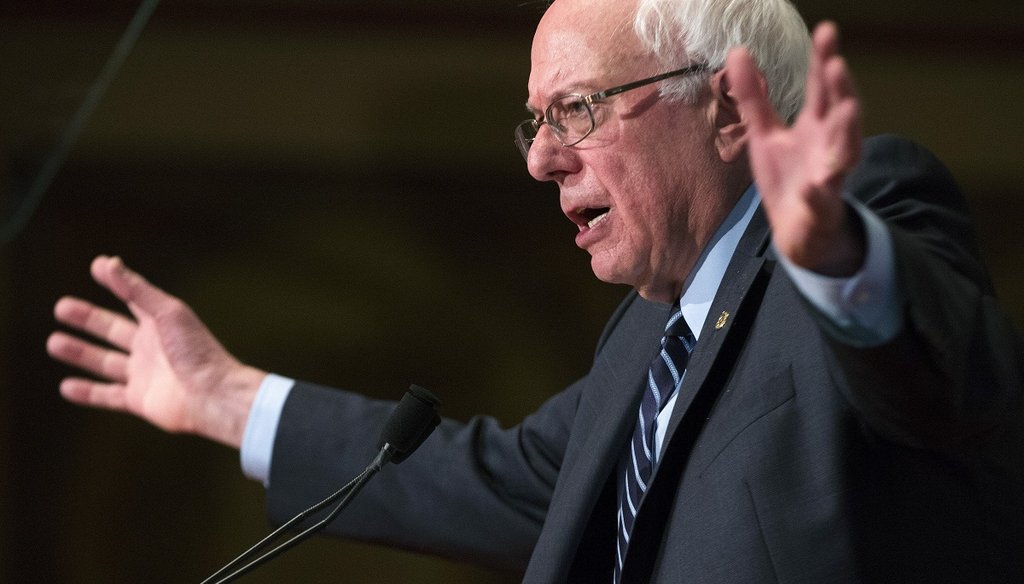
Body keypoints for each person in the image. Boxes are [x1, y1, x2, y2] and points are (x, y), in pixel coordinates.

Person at [47, 0, 1024, 581]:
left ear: (725, 104)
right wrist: (226, 398)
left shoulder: (865, 220)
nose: (543, 159)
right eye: (536, 122)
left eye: (579, 109)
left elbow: (940, 377)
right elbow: (498, 477)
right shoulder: (641, 342)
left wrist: (837, 256)